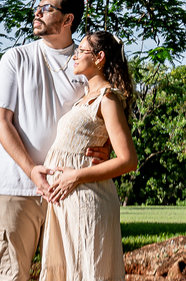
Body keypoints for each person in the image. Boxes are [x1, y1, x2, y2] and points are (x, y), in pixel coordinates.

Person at [0, 0, 107, 281]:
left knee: (65, 274)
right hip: (17, 187)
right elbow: (0, 122)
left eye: (46, 8)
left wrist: (105, 148)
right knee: (10, 274)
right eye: (38, 7)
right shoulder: (16, 58)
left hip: (69, 191)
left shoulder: (86, 64)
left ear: (68, 20)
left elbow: (102, 113)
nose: (37, 13)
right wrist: (32, 171)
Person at [37, 30, 138, 281]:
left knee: (89, 270)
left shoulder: (108, 98)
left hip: (88, 199)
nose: (74, 56)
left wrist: (76, 176)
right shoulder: (82, 101)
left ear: (99, 57)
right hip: (65, 202)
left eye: (81, 51)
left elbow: (128, 160)